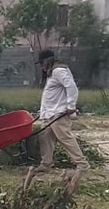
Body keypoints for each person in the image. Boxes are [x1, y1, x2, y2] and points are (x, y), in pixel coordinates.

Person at [31, 49, 89, 179]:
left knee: (65, 138)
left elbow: (71, 87)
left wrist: (71, 106)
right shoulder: (51, 73)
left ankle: (82, 164)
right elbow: (51, 96)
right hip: (49, 114)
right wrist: (42, 111)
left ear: (47, 61)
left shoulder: (59, 71)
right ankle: (46, 164)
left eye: (42, 63)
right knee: (44, 137)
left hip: (59, 113)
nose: (41, 66)